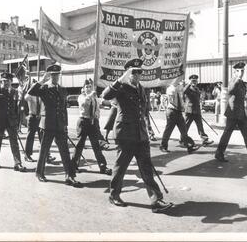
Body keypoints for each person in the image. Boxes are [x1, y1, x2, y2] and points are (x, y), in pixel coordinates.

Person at [102, 58, 173, 213]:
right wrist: (120, 79)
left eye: (140, 72)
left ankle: (156, 200)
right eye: (134, 72)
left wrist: (147, 131)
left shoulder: (141, 88)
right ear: (128, 73)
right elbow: (106, 95)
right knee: (120, 168)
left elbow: (143, 112)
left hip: (140, 135)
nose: (137, 75)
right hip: (125, 135)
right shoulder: (121, 87)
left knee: (147, 168)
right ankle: (114, 195)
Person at [28, 64, 81, 187]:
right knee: (44, 150)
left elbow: (63, 109)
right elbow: (31, 92)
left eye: (57, 75)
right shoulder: (45, 88)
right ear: (49, 76)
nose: (55, 77)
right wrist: (42, 80)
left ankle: (69, 176)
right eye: (53, 75)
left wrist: (65, 124)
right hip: (47, 125)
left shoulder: (63, 90)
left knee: (65, 151)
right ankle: (39, 173)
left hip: (60, 125)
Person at [214, 62, 247, 164]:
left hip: (241, 113)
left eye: (242, 71)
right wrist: (237, 79)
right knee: (227, 134)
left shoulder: (242, 83)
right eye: (239, 71)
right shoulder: (233, 80)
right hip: (233, 113)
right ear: (234, 72)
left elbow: (241, 96)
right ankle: (219, 153)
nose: (241, 73)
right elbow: (230, 91)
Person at [71, 79, 112, 175]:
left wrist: (97, 116)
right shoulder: (82, 97)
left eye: (90, 87)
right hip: (83, 122)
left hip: (92, 122)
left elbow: (97, 108)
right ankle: (73, 166)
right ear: (83, 89)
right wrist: (90, 95)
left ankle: (103, 166)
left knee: (96, 146)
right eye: (87, 87)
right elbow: (84, 103)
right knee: (79, 145)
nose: (88, 88)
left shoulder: (94, 97)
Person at [160, 81, 199, 153]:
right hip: (172, 111)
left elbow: (181, 98)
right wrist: (181, 107)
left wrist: (182, 107)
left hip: (178, 112)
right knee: (168, 130)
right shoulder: (170, 89)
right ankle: (163, 146)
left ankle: (190, 146)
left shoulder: (179, 88)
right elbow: (172, 101)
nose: (180, 81)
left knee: (183, 130)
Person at [180, 75, 213, 146]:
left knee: (200, 126)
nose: (194, 82)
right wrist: (189, 83)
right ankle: (182, 140)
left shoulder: (197, 89)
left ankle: (205, 140)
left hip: (197, 111)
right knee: (186, 126)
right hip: (190, 111)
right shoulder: (188, 88)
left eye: (195, 81)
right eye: (193, 80)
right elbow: (184, 91)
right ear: (190, 81)